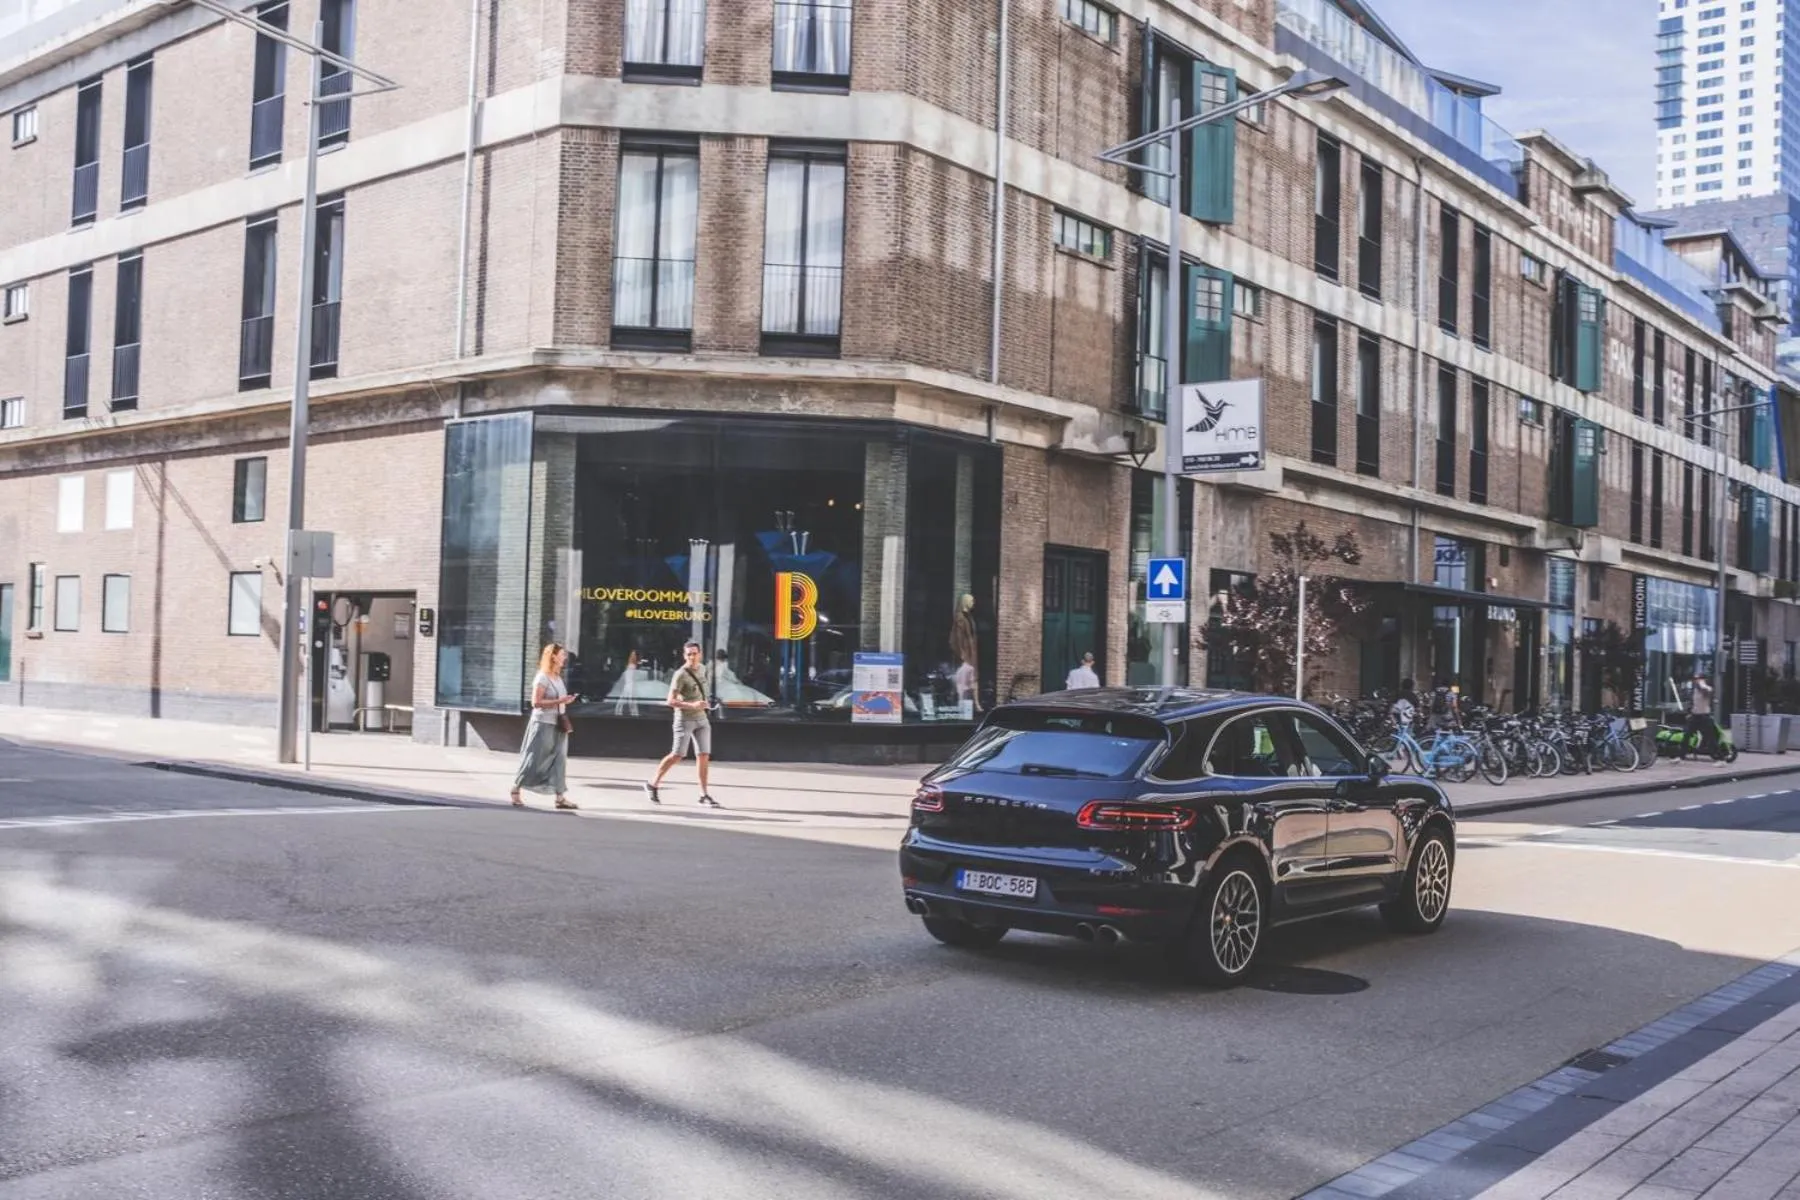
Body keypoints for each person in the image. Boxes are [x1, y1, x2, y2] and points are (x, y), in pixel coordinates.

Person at [645, 641, 720, 808]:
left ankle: (703, 794)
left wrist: (705, 703)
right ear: (684, 656)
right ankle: (653, 783)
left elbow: (701, 691)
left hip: (702, 719)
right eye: (689, 654)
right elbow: (670, 701)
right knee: (678, 755)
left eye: (695, 653)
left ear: (700, 654)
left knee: (704, 755)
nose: (692, 657)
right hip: (684, 719)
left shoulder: (703, 669)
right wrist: (691, 705)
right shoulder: (680, 674)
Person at [510, 643, 579, 810]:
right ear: (553, 656)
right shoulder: (542, 677)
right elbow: (536, 702)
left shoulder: (558, 677)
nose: (564, 658)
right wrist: (559, 701)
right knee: (534, 758)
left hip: (558, 724)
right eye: (562, 654)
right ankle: (515, 788)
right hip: (542, 723)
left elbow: (558, 700)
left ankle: (560, 797)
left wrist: (566, 701)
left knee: (560, 759)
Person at [1685, 674, 1718, 761]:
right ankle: (1680, 756)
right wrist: (1689, 712)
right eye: (1695, 679)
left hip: (1704, 716)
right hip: (1695, 716)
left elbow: (1708, 693)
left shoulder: (1707, 688)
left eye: (1699, 679)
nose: (1697, 680)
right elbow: (1693, 703)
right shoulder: (1694, 690)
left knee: (1710, 737)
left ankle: (1720, 758)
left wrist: (1702, 685)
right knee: (1687, 735)